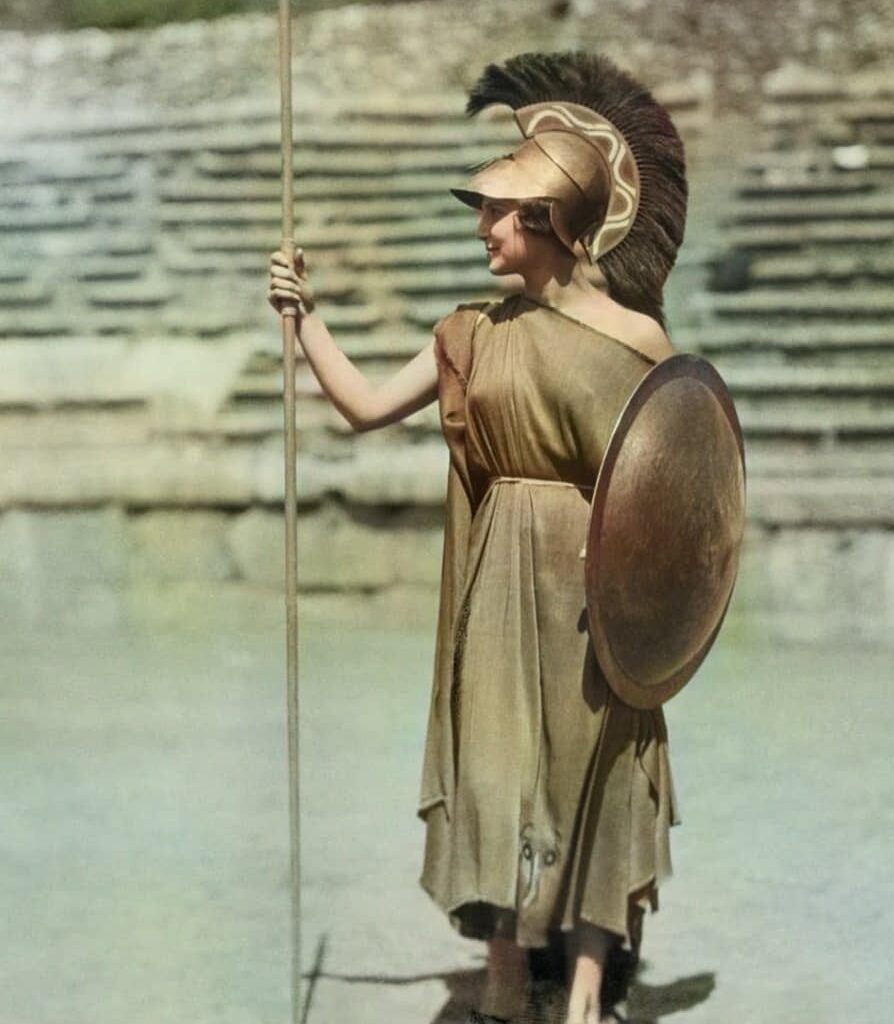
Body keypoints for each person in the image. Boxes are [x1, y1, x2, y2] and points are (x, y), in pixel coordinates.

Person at [269, 52, 688, 1024]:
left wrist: (651, 592)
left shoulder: (641, 343)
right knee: (498, 771)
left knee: (597, 774)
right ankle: (505, 969)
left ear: (549, 221)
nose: (482, 226)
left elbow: (679, 486)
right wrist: (307, 322)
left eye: (498, 210)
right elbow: (368, 406)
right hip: (501, 570)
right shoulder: (470, 331)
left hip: (603, 585)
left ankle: (586, 984)